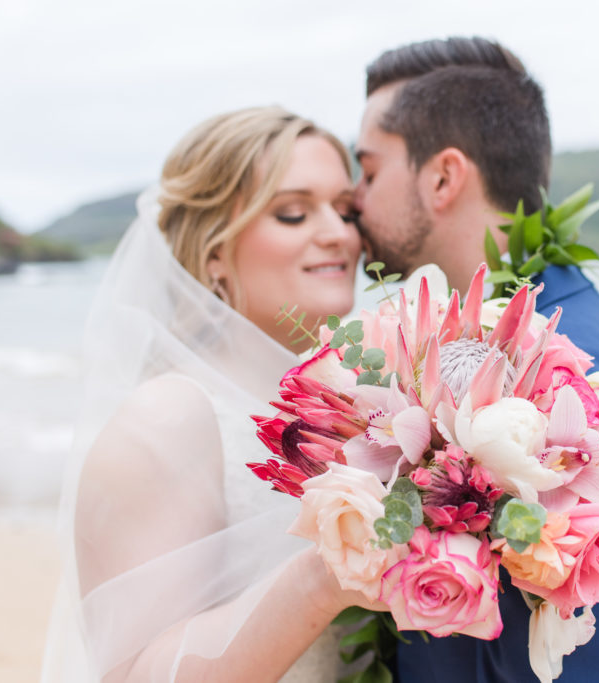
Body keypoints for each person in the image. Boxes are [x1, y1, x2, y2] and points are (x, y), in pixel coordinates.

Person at [354, 37, 599, 681]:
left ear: (443, 177)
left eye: (370, 171)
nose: (354, 202)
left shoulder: (562, 400)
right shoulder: (493, 357)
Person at [42, 106, 371, 682]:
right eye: (293, 213)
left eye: (345, 210)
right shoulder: (170, 415)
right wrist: (321, 580)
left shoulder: (350, 400)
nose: (338, 233)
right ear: (215, 250)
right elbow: (136, 675)